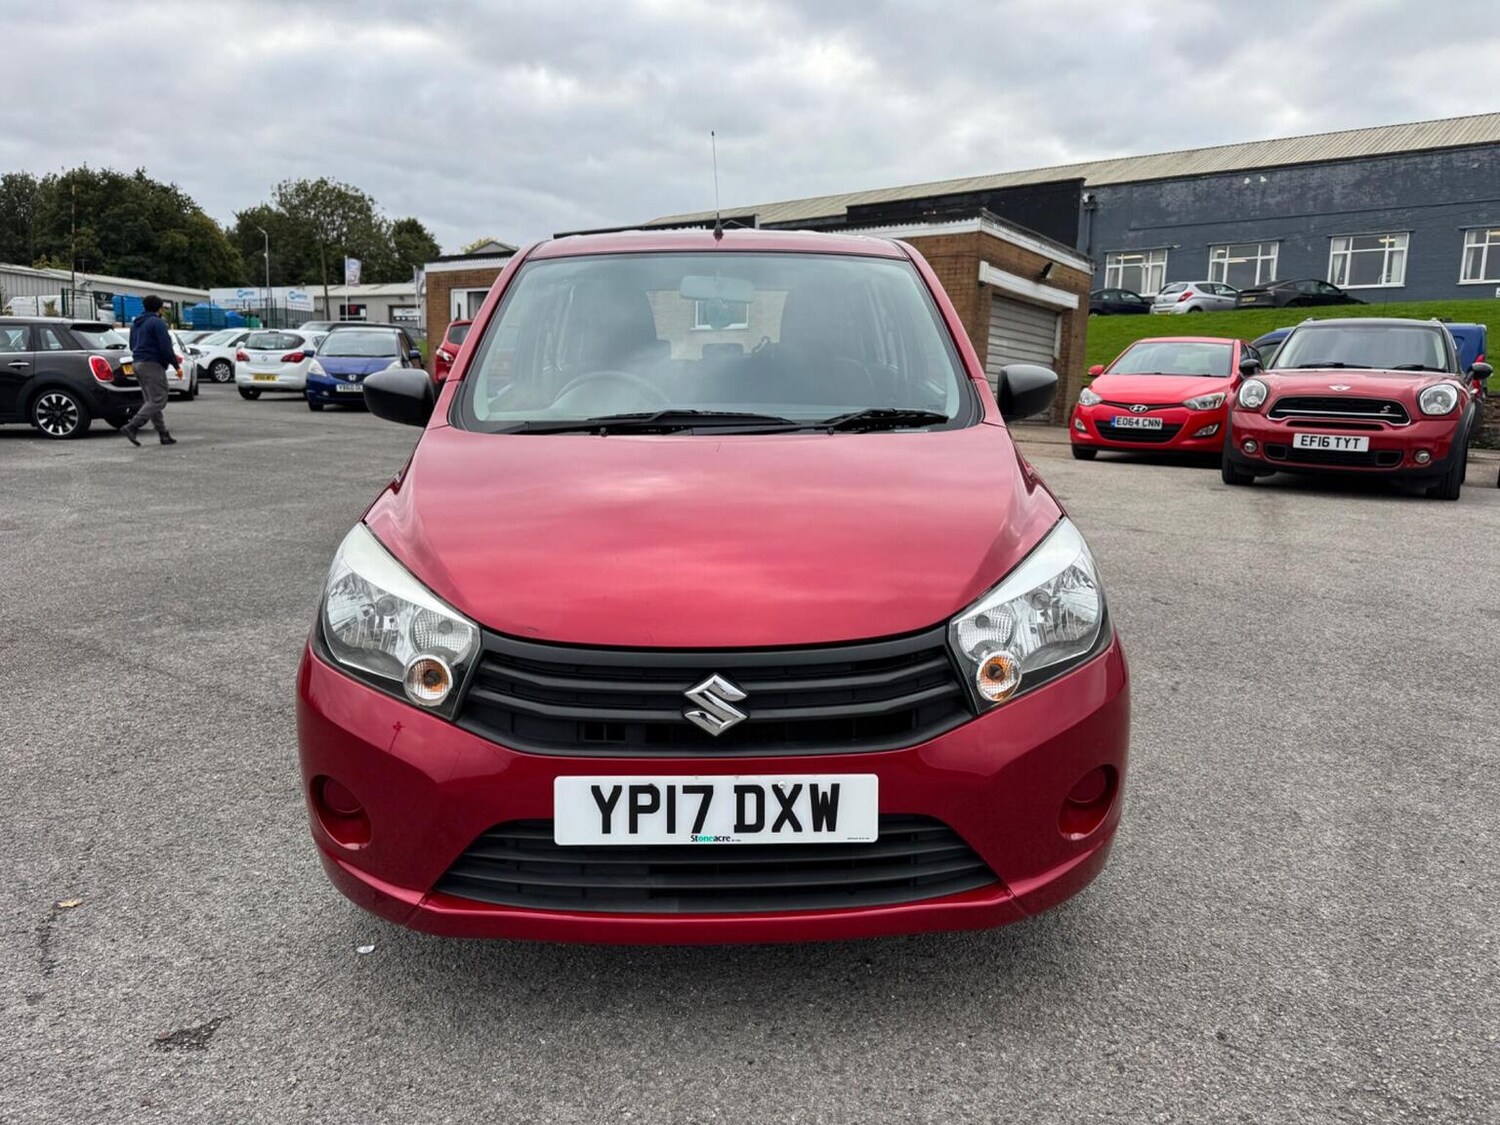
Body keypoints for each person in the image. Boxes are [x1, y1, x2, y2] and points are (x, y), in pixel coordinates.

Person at [124, 296, 177, 446]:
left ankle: (163, 433)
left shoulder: (135, 324)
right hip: (151, 364)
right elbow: (165, 347)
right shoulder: (157, 323)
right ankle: (132, 426)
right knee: (159, 399)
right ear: (159, 308)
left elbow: (132, 344)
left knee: (151, 400)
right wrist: (175, 364)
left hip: (137, 363)